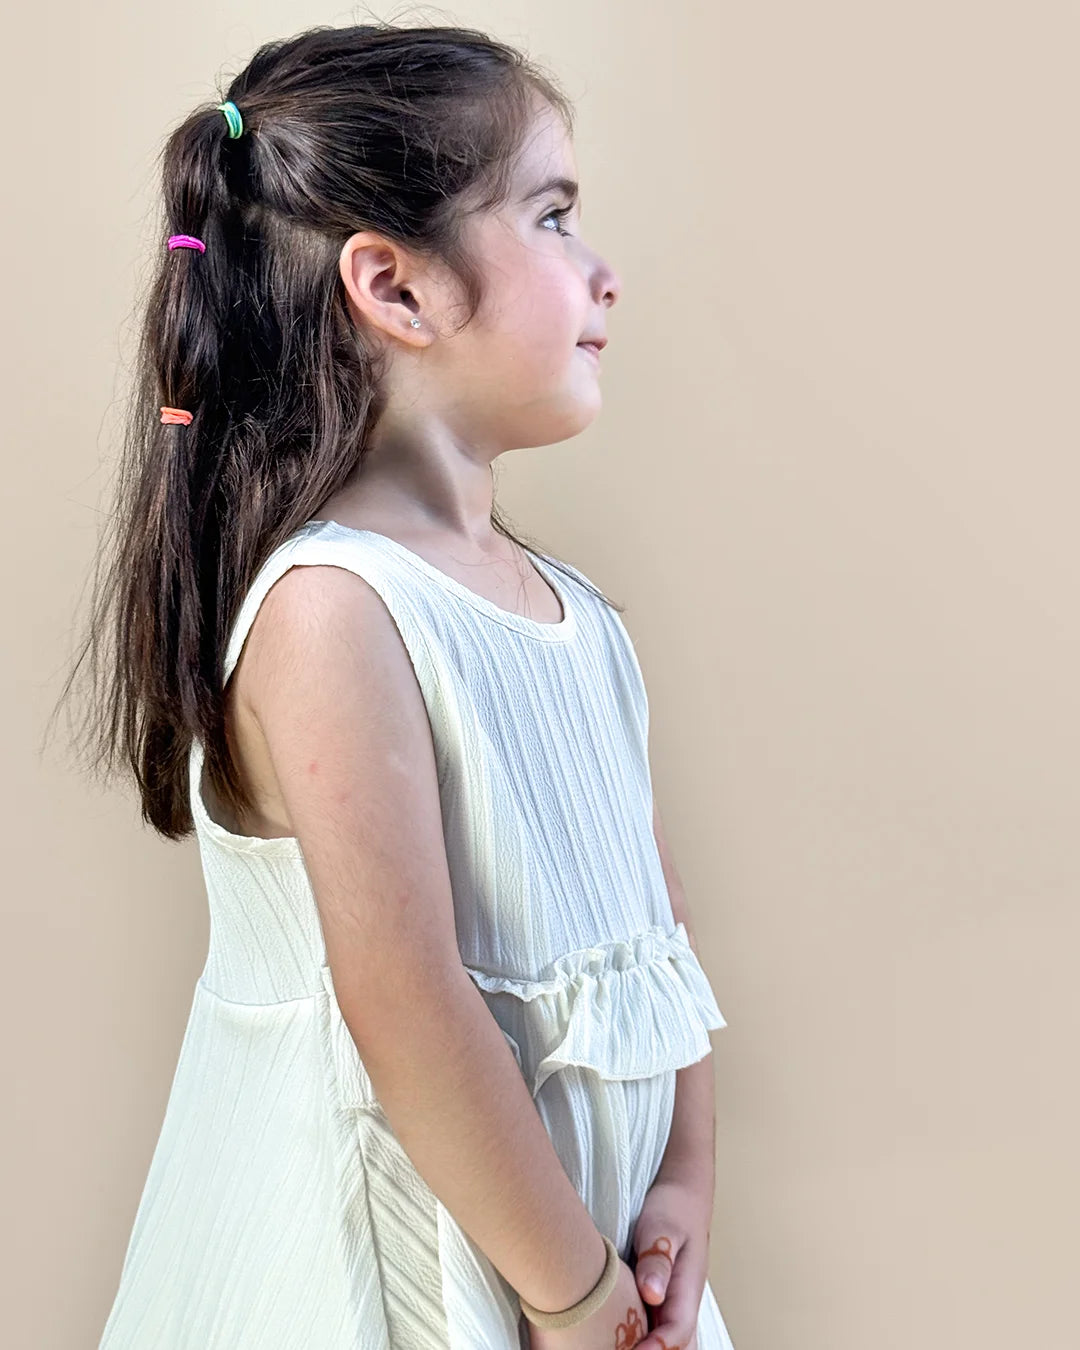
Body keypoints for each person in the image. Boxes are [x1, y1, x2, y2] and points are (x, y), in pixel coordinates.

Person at [64, 20, 735, 1350]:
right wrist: (567, 1288)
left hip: (592, 1277)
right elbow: (408, 998)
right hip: (400, 1273)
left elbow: (662, 943)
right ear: (397, 286)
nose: (605, 274)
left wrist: (682, 1178)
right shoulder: (337, 612)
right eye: (552, 216)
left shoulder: (582, 625)